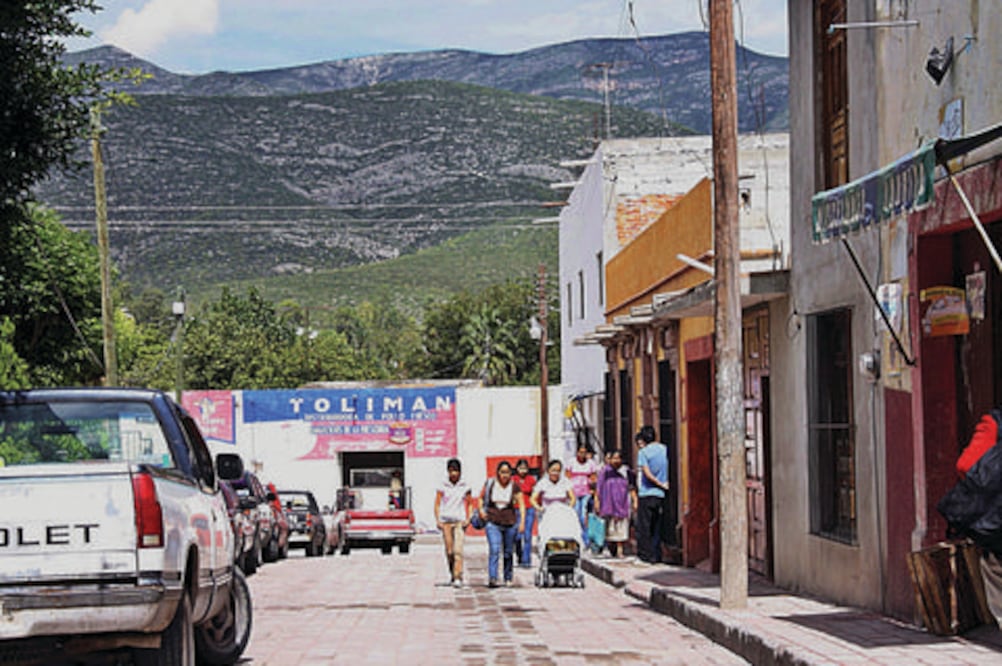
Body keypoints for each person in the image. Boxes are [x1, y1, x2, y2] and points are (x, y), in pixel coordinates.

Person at [477, 460, 524, 588]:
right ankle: (493, 577)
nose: (504, 475)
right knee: (494, 549)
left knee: (508, 552)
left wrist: (522, 523)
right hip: (493, 521)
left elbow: (521, 505)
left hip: (510, 522)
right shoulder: (490, 484)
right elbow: (480, 498)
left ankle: (508, 576)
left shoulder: (514, 486)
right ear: (498, 472)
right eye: (502, 472)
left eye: (507, 472)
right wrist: (481, 511)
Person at [434, 458, 471, 588]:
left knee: (458, 551)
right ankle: (452, 573)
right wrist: (438, 519)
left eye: (456, 471)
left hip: (459, 521)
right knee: (449, 551)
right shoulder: (442, 485)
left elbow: (469, 503)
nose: (454, 474)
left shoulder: (465, 485)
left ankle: (458, 576)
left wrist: (468, 518)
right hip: (446, 522)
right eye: (451, 471)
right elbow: (437, 504)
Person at [635, 425, 669, 564]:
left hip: (647, 492)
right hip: (660, 494)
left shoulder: (643, 452)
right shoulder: (664, 449)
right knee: (657, 526)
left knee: (645, 526)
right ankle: (656, 554)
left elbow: (646, 473)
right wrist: (663, 484)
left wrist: (658, 483)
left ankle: (645, 555)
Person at [595, 449, 637, 558]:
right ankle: (611, 548)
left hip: (623, 503)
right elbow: (599, 488)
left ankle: (620, 550)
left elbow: (632, 487)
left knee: (622, 528)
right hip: (609, 504)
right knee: (610, 529)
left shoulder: (626, 471)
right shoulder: (605, 472)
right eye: (613, 458)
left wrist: (635, 500)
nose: (615, 460)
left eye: (618, 458)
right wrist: (597, 501)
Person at [566, 443, 600, 548]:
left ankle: (586, 540)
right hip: (574, 493)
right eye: (581, 452)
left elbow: (594, 478)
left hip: (586, 493)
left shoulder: (591, 464)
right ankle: (578, 537)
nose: (582, 454)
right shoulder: (571, 462)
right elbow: (567, 477)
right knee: (576, 514)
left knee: (583, 516)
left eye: (584, 452)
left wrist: (593, 491)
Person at [512, 458, 537, 568]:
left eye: (525, 468)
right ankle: (519, 554)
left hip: (529, 509)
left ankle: (526, 561)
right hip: (516, 509)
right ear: (517, 469)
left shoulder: (531, 480)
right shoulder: (513, 480)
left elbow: (535, 494)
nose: (522, 470)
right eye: (520, 468)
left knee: (528, 535)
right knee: (517, 536)